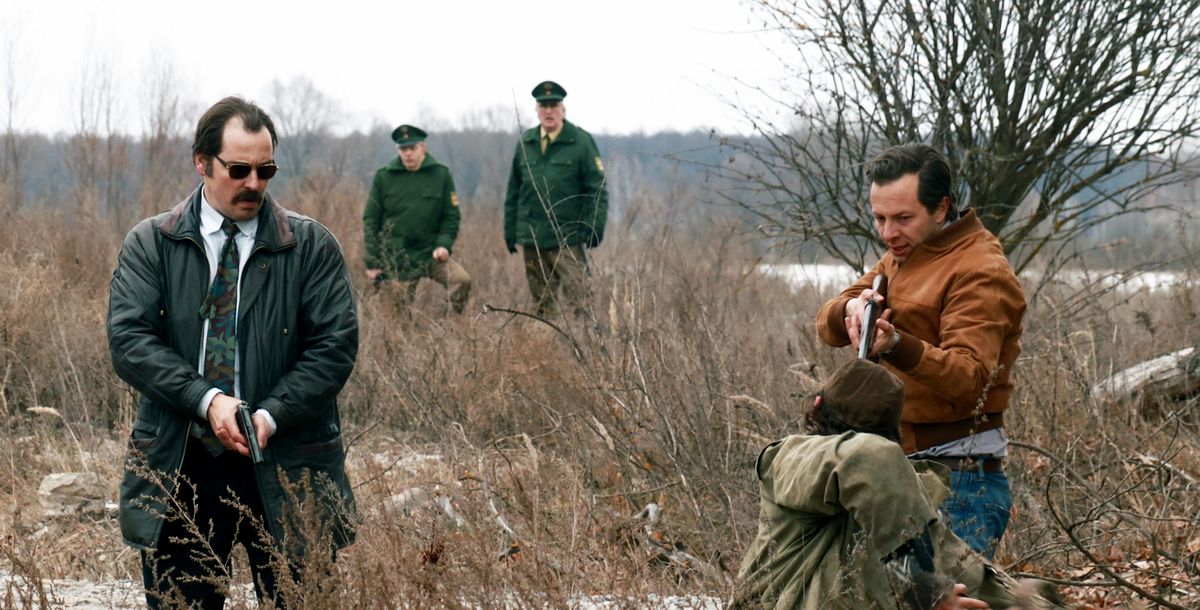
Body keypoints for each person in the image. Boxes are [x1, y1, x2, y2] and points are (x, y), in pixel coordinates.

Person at [108, 96, 359, 609]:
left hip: (289, 457)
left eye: (265, 170)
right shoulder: (151, 243)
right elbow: (130, 342)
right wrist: (207, 400)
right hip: (182, 460)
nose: (254, 183)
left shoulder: (309, 246)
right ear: (202, 162)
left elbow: (334, 347)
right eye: (239, 169)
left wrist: (272, 413)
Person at [815, 144, 1027, 558]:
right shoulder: (905, 253)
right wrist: (852, 308)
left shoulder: (980, 269)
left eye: (902, 218)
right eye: (880, 218)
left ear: (941, 208)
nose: (887, 232)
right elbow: (827, 323)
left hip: (959, 480)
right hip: (900, 468)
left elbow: (970, 379)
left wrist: (895, 344)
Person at [730, 359, 1068, 610]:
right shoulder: (791, 459)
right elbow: (867, 460)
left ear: (818, 408)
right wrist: (926, 591)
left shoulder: (901, 507)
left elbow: (968, 575)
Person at [503, 80, 608, 317]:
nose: (548, 111)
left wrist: (594, 227)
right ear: (537, 110)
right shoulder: (526, 142)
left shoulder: (580, 142)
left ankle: (584, 349)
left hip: (567, 236)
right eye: (543, 105)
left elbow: (597, 189)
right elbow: (513, 192)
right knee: (541, 304)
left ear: (563, 109)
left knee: (580, 299)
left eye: (553, 105)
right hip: (533, 236)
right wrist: (510, 230)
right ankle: (547, 350)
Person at [364, 124, 471, 314]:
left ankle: (447, 327)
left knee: (461, 281)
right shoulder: (384, 177)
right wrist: (373, 262)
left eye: (412, 148)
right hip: (397, 256)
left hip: (431, 252)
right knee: (398, 316)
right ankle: (412, 339)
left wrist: (443, 245)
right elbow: (371, 220)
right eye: (403, 149)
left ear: (423, 147)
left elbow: (451, 216)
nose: (408, 154)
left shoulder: (441, 174)